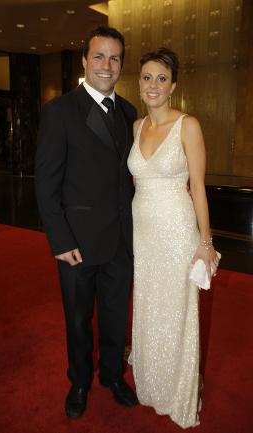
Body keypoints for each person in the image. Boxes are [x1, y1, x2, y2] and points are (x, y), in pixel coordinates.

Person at [35, 26, 138, 419]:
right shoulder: (60, 111)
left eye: (114, 58)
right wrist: (59, 240)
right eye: (99, 56)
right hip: (75, 242)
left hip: (120, 242)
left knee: (114, 315)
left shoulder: (128, 112)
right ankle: (79, 380)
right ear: (84, 60)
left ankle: (113, 375)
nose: (106, 65)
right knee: (78, 320)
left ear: (121, 64)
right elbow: (46, 183)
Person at [127, 47, 220, 428]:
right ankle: (150, 383)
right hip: (143, 233)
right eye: (147, 77)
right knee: (149, 307)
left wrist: (206, 241)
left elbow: (198, 186)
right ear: (140, 83)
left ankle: (179, 391)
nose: (153, 85)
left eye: (161, 79)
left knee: (178, 312)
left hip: (177, 231)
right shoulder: (136, 127)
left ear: (173, 86)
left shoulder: (188, 125)